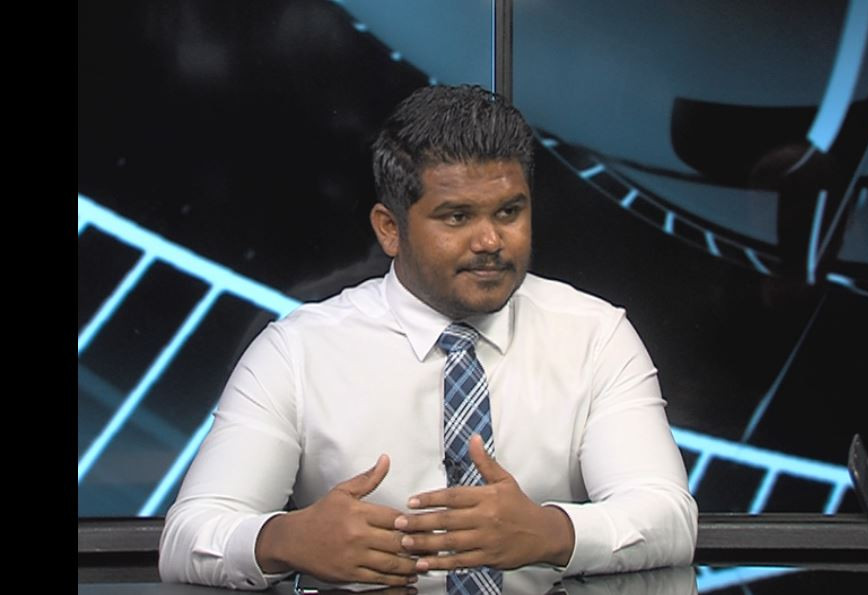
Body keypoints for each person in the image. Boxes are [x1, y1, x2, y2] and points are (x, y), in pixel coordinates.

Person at [158, 84, 698, 591]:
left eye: (509, 212)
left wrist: (552, 532)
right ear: (390, 229)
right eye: (457, 217)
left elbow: (668, 516)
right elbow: (188, 537)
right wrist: (284, 540)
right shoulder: (298, 351)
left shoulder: (595, 336)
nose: (490, 240)